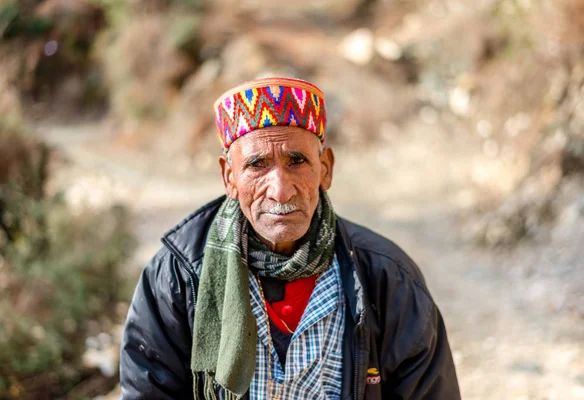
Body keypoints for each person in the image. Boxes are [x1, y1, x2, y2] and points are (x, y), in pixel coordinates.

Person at [120, 77, 461, 399]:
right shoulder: (177, 277)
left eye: (297, 161)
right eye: (257, 165)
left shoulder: (387, 278)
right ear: (229, 177)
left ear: (325, 168)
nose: (280, 190)